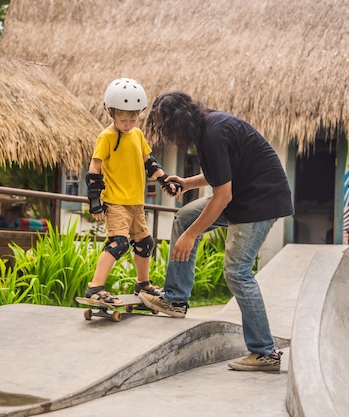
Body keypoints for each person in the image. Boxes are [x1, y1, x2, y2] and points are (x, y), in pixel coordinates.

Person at [138, 91, 294, 372]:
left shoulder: (215, 133)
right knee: (185, 217)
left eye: (164, 126)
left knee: (237, 271)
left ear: (178, 120)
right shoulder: (205, 129)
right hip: (242, 196)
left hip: (261, 202)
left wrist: (191, 236)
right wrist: (186, 183)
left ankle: (265, 353)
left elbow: (222, 196)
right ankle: (175, 300)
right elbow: (221, 175)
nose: (164, 133)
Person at [82, 79, 180, 305]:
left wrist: (164, 180)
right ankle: (95, 288)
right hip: (115, 202)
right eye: (122, 119)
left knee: (145, 243)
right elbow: (94, 167)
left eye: (132, 119)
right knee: (119, 243)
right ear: (111, 113)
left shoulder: (136, 135)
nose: (127, 124)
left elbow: (149, 162)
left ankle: (142, 284)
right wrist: (95, 200)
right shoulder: (106, 137)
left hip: (136, 202)